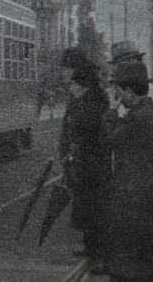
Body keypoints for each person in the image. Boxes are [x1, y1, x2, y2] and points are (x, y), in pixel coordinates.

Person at [101, 61, 153, 282]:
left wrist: (112, 112)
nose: (117, 95)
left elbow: (109, 140)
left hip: (133, 195)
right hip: (141, 191)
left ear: (129, 92)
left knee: (128, 257)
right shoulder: (146, 112)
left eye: (118, 91)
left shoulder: (138, 118)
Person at [61, 67, 109, 273]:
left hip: (92, 165)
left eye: (73, 84)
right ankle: (90, 249)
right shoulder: (85, 102)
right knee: (86, 207)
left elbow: (85, 131)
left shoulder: (92, 104)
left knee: (93, 209)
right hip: (85, 163)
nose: (70, 87)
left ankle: (98, 255)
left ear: (83, 86)